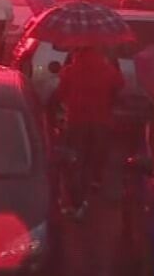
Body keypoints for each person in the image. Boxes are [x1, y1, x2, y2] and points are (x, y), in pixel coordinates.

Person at [49, 46, 124, 217]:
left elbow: (61, 94)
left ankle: (75, 201)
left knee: (74, 161)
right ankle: (92, 185)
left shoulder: (70, 71)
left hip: (76, 121)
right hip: (101, 120)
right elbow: (120, 84)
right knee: (93, 158)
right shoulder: (107, 70)